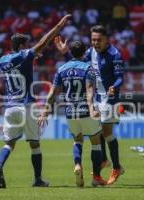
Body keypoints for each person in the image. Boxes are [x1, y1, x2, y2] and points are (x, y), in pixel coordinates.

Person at [0, 14, 71, 189]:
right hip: (25, 105)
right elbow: (42, 43)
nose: (30, 48)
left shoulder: (2, 60)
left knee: (9, 143)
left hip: (9, 107)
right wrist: (58, 25)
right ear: (22, 46)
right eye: (27, 46)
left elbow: (18, 60)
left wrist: (31, 57)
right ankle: (37, 180)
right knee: (35, 143)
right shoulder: (24, 55)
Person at [54, 25, 125, 184]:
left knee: (107, 133)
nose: (95, 43)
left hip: (109, 98)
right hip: (95, 99)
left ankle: (117, 167)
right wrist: (66, 53)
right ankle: (103, 160)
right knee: (96, 131)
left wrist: (115, 86)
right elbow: (76, 64)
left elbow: (120, 77)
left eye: (99, 40)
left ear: (107, 40)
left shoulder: (115, 55)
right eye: (93, 39)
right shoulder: (90, 52)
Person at [38, 40, 107, 187]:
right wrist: (91, 108)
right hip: (85, 111)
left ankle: (77, 165)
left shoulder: (61, 69)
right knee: (96, 142)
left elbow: (52, 93)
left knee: (77, 140)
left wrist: (45, 112)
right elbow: (89, 90)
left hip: (70, 112)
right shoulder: (88, 68)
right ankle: (96, 178)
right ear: (84, 53)